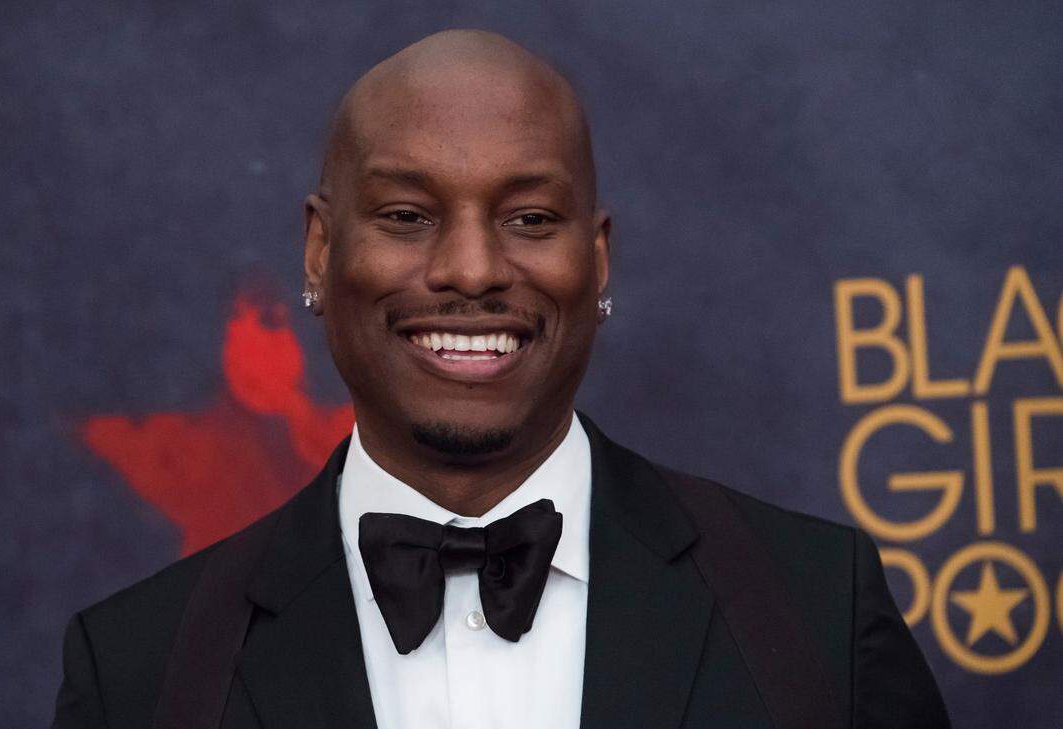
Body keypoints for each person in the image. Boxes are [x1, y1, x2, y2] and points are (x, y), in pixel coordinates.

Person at [52, 30, 950, 729]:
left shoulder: (816, 608)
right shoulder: (141, 669)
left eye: (528, 216)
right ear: (321, 253)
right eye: (407, 215)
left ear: (596, 260)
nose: (473, 268)